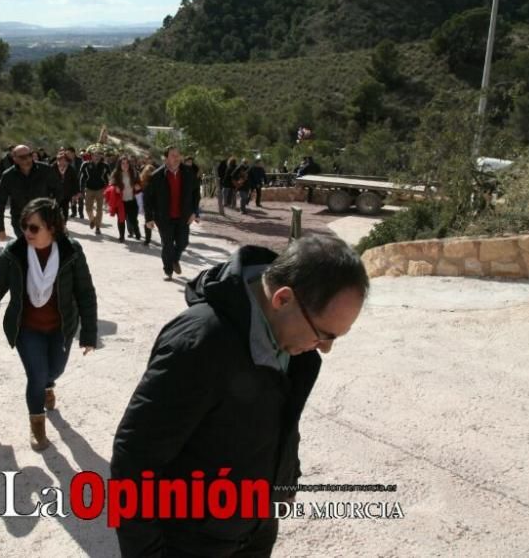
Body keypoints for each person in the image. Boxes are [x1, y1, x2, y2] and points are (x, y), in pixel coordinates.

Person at [111, 235, 370, 556]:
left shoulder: (295, 345)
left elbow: (281, 420)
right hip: (192, 541)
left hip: (254, 531)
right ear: (283, 299)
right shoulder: (200, 343)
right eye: (325, 335)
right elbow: (135, 458)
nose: (326, 348)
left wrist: (286, 478)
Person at [0, 198, 98, 451]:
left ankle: (49, 385)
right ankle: (37, 427)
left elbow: (86, 293)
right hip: (27, 328)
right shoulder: (14, 251)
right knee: (36, 375)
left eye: (34, 228)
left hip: (61, 327)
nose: (27, 232)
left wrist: (89, 333)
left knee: (53, 371)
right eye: (24, 226)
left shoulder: (72, 251)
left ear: (52, 227)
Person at [144, 147, 200, 280]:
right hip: (164, 217)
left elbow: (196, 193)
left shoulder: (188, 173)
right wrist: (149, 218)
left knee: (183, 242)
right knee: (167, 245)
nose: (176, 158)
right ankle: (168, 270)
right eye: (173, 155)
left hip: (183, 216)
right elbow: (148, 199)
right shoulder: (156, 176)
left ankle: (174, 260)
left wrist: (194, 212)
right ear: (166, 158)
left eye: (178, 155)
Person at [0, 144, 62, 241]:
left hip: (43, 220)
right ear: (15, 159)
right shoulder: (8, 176)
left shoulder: (46, 170)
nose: (27, 159)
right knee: (28, 249)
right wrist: (0, 228)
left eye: (29, 155)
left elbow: (58, 190)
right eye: (22, 157)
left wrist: (53, 210)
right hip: (21, 222)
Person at [107, 156, 141, 242]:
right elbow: (111, 185)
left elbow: (139, 184)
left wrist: (138, 187)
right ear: (119, 164)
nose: (125, 165)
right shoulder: (116, 174)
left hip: (132, 200)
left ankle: (137, 232)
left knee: (133, 219)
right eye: (123, 163)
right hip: (121, 202)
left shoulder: (134, 173)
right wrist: (115, 188)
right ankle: (121, 236)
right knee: (121, 219)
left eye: (127, 163)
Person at [79, 147, 111, 235]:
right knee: (88, 208)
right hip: (89, 189)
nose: (96, 157)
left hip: (101, 189)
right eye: (94, 155)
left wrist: (108, 189)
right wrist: (81, 189)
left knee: (99, 210)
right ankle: (92, 220)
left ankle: (97, 227)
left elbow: (108, 179)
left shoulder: (105, 166)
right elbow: (82, 178)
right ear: (91, 156)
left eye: (99, 155)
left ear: (101, 156)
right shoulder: (85, 165)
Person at [54, 152, 80, 223]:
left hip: (67, 193)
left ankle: (64, 223)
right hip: (55, 193)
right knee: (56, 209)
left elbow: (75, 181)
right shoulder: (53, 167)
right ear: (58, 160)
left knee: (65, 209)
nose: (63, 162)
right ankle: (57, 223)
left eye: (65, 160)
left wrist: (77, 192)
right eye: (61, 160)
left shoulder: (71, 169)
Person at [64, 146, 84, 218]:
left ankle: (81, 213)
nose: (68, 155)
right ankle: (74, 212)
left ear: (73, 153)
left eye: (69, 153)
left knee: (80, 198)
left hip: (80, 181)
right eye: (67, 153)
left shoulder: (80, 160)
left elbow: (82, 171)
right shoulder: (66, 161)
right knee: (72, 198)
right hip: (71, 182)